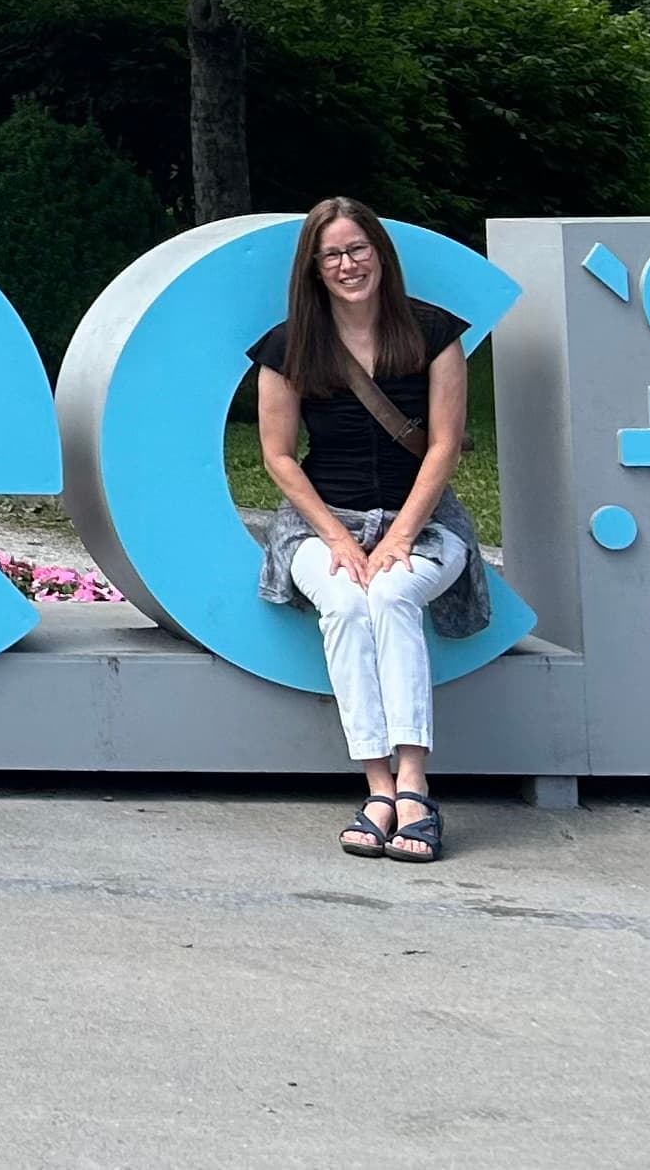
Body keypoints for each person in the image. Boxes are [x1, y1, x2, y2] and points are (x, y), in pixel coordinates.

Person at [250, 197, 497, 864]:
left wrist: (395, 538)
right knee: (344, 602)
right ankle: (377, 786)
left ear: (380, 254)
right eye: (330, 254)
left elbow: (443, 447)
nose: (346, 263)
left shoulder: (433, 333)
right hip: (316, 526)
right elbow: (276, 456)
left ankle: (412, 783)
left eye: (356, 248)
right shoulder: (288, 345)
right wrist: (334, 537)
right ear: (313, 268)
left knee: (388, 595)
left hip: (421, 521)